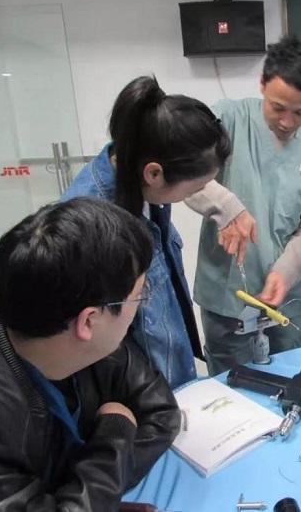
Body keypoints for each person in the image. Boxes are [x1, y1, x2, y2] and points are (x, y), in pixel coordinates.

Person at [0, 198, 180, 511]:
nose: (141, 306)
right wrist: (114, 436)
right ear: (89, 321)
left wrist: (88, 495)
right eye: (140, 295)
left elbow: (161, 411)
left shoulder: (65, 311)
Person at [63, 75, 251, 388]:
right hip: (135, 395)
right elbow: (89, 349)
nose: (203, 193)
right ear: (154, 174)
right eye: (197, 187)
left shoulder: (138, 178)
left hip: (167, 383)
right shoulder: (90, 230)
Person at [190, 36, 301, 375]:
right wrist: (227, 207)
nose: (287, 121)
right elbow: (181, 171)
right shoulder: (226, 120)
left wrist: (284, 273)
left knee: (290, 379)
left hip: (288, 296)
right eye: (278, 107)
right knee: (231, 385)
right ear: (262, 84)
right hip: (228, 292)